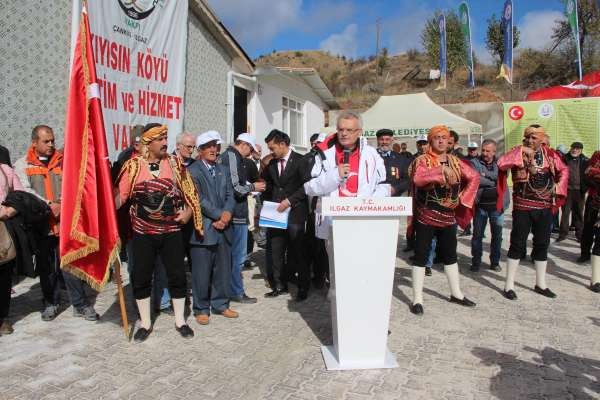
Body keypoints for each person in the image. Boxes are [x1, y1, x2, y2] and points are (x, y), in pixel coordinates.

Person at [116, 123, 203, 342]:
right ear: (147, 143)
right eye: (160, 139)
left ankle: (181, 321)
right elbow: (120, 199)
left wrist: (189, 212)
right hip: (142, 232)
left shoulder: (174, 163)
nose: (165, 142)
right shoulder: (133, 166)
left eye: (166, 137)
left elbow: (190, 191)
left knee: (177, 275)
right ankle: (145, 323)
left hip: (171, 230)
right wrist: (105, 192)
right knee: (141, 276)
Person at [14, 125, 99, 322]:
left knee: (71, 265)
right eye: (46, 141)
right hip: (41, 226)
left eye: (52, 140)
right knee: (47, 268)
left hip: (66, 223)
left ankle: (80, 304)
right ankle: (51, 302)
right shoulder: (22, 164)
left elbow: (75, 185)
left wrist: (61, 203)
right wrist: (49, 205)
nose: (51, 144)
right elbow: (25, 191)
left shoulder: (65, 161)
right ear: (34, 142)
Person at [408, 125, 479, 315]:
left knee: (450, 256)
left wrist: (463, 198)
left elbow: (474, 176)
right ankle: (417, 298)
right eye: (437, 137)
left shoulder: (456, 161)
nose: (441, 141)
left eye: (444, 137)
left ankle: (456, 293)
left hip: (448, 217)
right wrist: (439, 172)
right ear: (430, 141)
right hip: (427, 215)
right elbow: (418, 179)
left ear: (450, 141)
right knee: (421, 257)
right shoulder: (422, 160)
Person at [497, 124, 568, 301]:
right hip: (523, 206)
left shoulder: (550, 155)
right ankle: (509, 285)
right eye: (528, 137)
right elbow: (501, 163)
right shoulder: (517, 151)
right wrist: (519, 155)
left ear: (542, 139)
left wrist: (558, 187)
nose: (530, 140)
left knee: (542, 244)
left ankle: (541, 283)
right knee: (517, 244)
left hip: (543, 206)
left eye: (534, 137)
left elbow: (564, 170)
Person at [188, 131, 239, 325]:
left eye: (215, 146)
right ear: (200, 150)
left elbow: (230, 195)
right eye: (208, 146)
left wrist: (226, 215)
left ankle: (221, 304)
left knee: (223, 270)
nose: (213, 149)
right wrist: (220, 215)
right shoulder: (193, 171)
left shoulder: (222, 169)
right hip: (204, 229)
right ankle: (201, 308)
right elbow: (198, 199)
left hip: (223, 228)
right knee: (201, 272)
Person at [263, 129, 310, 301]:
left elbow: (307, 187)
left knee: (298, 250)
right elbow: (270, 185)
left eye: (273, 148)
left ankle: (303, 286)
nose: (271, 151)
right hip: (276, 212)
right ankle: (279, 285)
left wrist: (289, 201)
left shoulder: (301, 161)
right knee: (276, 249)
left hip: (295, 212)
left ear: (283, 144)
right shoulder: (272, 163)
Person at [218, 133, 265, 304]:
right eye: (250, 149)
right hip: (236, 215)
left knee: (233, 257)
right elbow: (236, 188)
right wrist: (254, 186)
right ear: (244, 144)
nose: (251, 153)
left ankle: (231, 290)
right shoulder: (231, 156)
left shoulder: (234, 157)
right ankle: (236, 292)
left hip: (235, 213)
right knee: (237, 258)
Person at [469, 139, 509, 272]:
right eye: (483, 150)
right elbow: (476, 178)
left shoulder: (501, 163)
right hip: (480, 206)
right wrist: (493, 180)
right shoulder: (474, 162)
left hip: (497, 207)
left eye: (488, 151)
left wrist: (486, 175)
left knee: (497, 236)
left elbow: (502, 177)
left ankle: (495, 262)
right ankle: (476, 262)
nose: (485, 153)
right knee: (477, 236)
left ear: (494, 151)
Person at [0, 163, 23, 335]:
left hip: (3, 230)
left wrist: (11, 209)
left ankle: (3, 318)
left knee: (4, 276)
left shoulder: (5, 170)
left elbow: (20, 194)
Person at [557, 142, 588, 242]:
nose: (575, 150)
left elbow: (588, 175)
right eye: (573, 148)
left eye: (577, 149)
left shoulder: (585, 160)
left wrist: (586, 188)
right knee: (565, 213)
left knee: (578, 213)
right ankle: (562, 234)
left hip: (579, 191)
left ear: (581, 150)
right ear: (570, 148)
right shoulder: (564, 159)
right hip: (567, 190)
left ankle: (580, 234)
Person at [376, 129, 411, 197]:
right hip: (375, 197)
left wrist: (395, 188)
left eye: (387, 139)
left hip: (395, 198)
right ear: (377, 140)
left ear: (392, 140)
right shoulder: (370, 157)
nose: (384, 142)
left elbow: (407, 179)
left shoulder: (401, 159)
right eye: (381, 139)